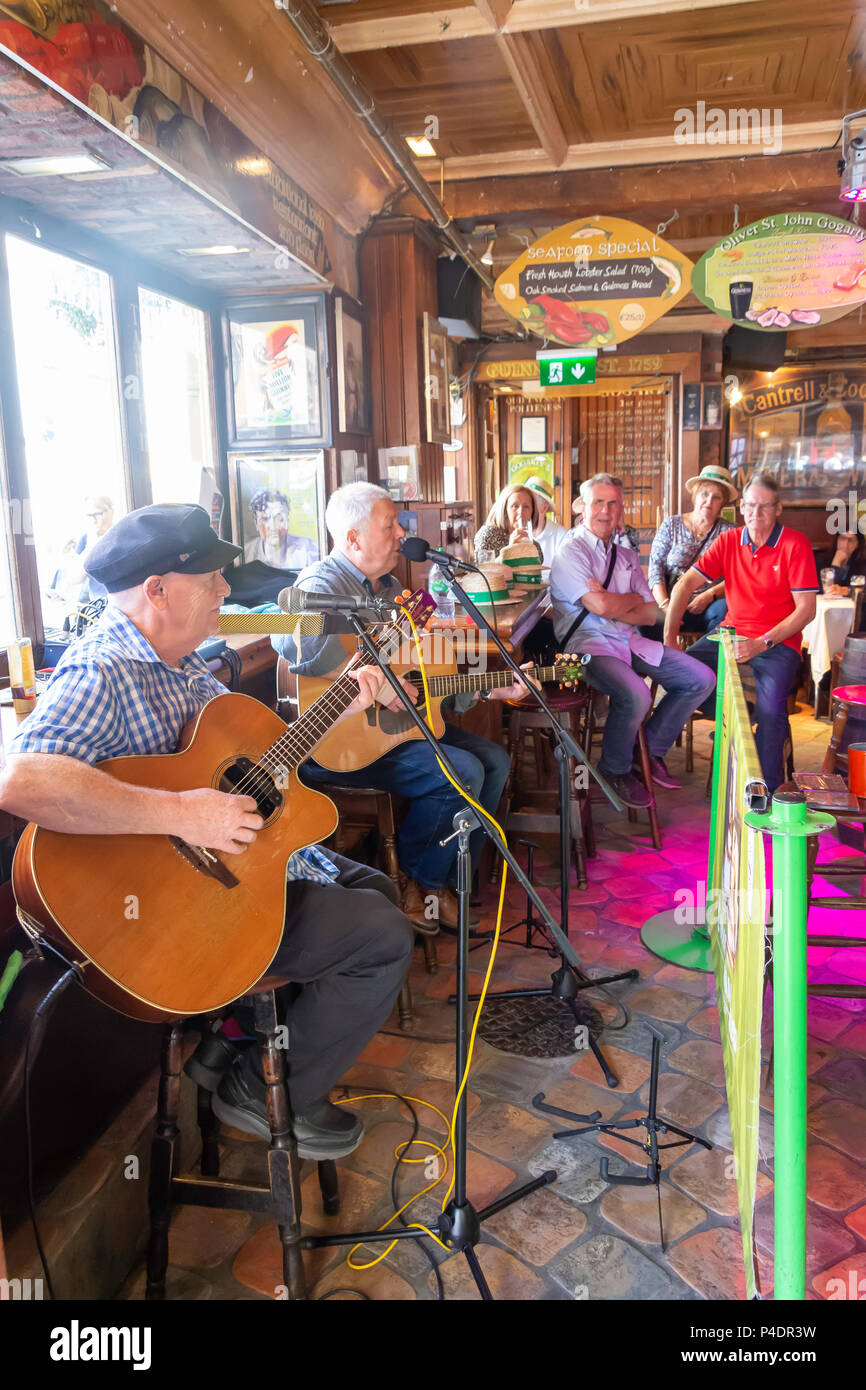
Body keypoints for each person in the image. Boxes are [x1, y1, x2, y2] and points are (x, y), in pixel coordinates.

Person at [0, 503, 415, 1160]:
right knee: (384, 938)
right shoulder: (102, 669)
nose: (226, 590)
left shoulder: (186, 664)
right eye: (212, 578)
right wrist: (184, 814)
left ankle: (237, 1032)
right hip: (173, 916)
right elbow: (19, 781)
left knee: (376, 892)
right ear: (157, 590)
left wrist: (345, 696)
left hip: (228, 886)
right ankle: (255, 1087)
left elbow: (257, 759)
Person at [275, 483, 532, 930]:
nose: (400, 533)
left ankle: (448, 878)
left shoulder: (392, 588)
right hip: (339, 745)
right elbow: (293, 643)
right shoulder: (322, 582)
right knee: (463, 772)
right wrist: (377, 683)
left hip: (393, 732)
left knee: (492, 759)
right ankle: (419, 882)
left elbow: (425, 674)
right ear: (353, 538)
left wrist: (491, 691)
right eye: (389, 524)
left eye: (398, 523)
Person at [550, 473, 716, 806]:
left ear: (621, 509)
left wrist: (612, 602)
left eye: (613, 503)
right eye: (598, 501)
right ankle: (614, 769)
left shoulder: (624, 556)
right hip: (584, 647)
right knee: (637, 695)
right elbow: (599, 606)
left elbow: (651, 613)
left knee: (701, 678)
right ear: (582, 506)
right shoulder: (571, 551)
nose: (606, 510)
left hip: (628, 642)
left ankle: (647, 753)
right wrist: (619, 603)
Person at [664, 472, 818, 794]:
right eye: (749, 506)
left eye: (763, 507)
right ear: (741, 508)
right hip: (729, 635)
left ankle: (763, 791)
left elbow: (805, 610)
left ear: (778, 508)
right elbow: (684, 584)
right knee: (680, 675)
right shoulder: (730, 540)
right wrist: (670, 639)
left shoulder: (794, 544)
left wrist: (761, 644)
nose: (755, 514)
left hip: (777, 643)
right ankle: (732, 724)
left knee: (772, 709)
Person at [645, 465, 737, 638]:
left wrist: (710, 595)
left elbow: (737, 575)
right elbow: (655, 568)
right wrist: (666, 605)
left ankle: (705, 661)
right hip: (667, 600)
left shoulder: (730, 532)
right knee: (642, 618)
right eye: (704, 494)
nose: (709, 501)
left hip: (707, 605)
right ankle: (657, 663)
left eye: (716, 497)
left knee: (725, 612)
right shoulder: (671, 524)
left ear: (722, 503)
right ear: (695, 496)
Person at [244, 488, 318, 570]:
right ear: (256, 524)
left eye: (279, 519)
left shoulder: (309, 550)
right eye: (265, 519)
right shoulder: (246, 554)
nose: (273, 526)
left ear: (288, 520)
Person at [473, 483, 543, 560]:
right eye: (515, 506)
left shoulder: (535, 547)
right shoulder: (488, 535)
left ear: (532, 512)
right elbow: (482, 570)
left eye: (526, 507)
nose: (521, 512)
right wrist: (509, 551)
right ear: (504, 510)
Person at [522, 474, 569, 568]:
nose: (523, 511)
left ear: (544, 507)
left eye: (529, 505)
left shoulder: (561, 536)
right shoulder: (515, 533)